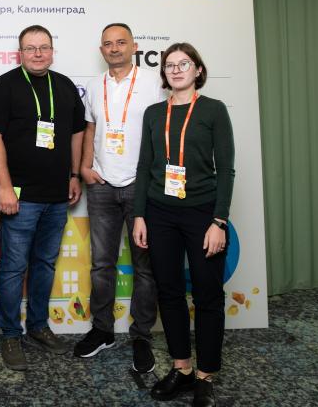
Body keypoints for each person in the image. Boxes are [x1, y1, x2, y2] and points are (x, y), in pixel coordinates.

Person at [132, 43, 235, 407]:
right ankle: (183, 369)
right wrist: (139, 215)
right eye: (170, 65)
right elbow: (144, 167)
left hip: (202, 214)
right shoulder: (153, 113)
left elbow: (226, 169)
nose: (176, 70)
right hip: (159, 213)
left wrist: (218, 221)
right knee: (170, 291)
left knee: (208, 294)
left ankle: (206, 376)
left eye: (184, 64)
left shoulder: (213, 110)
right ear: (164, 73)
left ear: (198, 70)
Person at [0, 25, 85, 371]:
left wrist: (74, 174)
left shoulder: (65, 86)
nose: (38, 53)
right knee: (14, 268)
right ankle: (11, 335)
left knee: (45, 264)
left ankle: (38, 326)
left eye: (44, 47)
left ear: (52, 51)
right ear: (20, 53)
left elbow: (77, 133)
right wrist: (5, 187)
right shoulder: (4, 86)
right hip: (20, 197)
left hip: (57, 197)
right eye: (30, 48)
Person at [74, 23, 167, 370]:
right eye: (108, 44)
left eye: (121, 43)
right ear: (102, 50)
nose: (114, 49)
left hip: (141, 185)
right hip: (100, 184)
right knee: (102, 264)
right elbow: (90, 129)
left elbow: (164, 130)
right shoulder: (94, 85)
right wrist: (84, 167)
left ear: (134, 46)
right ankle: (103, 330)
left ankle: (141, 335)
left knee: (145, 266)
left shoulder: (154, 83)